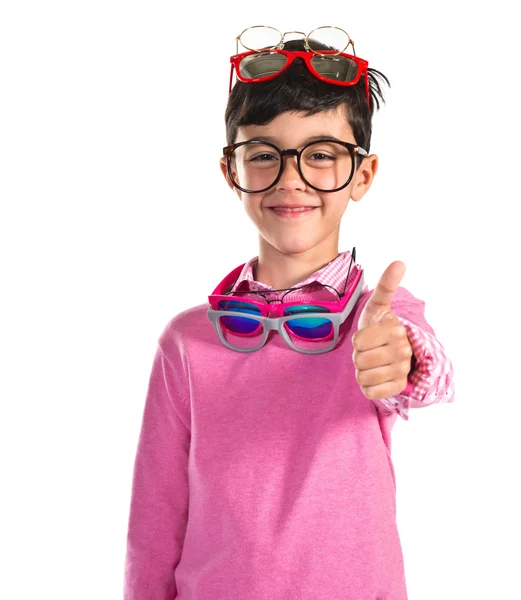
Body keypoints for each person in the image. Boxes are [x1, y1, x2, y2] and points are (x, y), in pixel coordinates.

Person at [124, 25, 455, 600]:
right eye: (264, 155)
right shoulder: (185, 341)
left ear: (364, 174)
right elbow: (154, 522)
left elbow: (425, 371)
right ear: (232, 171)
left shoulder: (377, 317)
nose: (292, 178)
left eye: (321, 155)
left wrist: (402, 361)